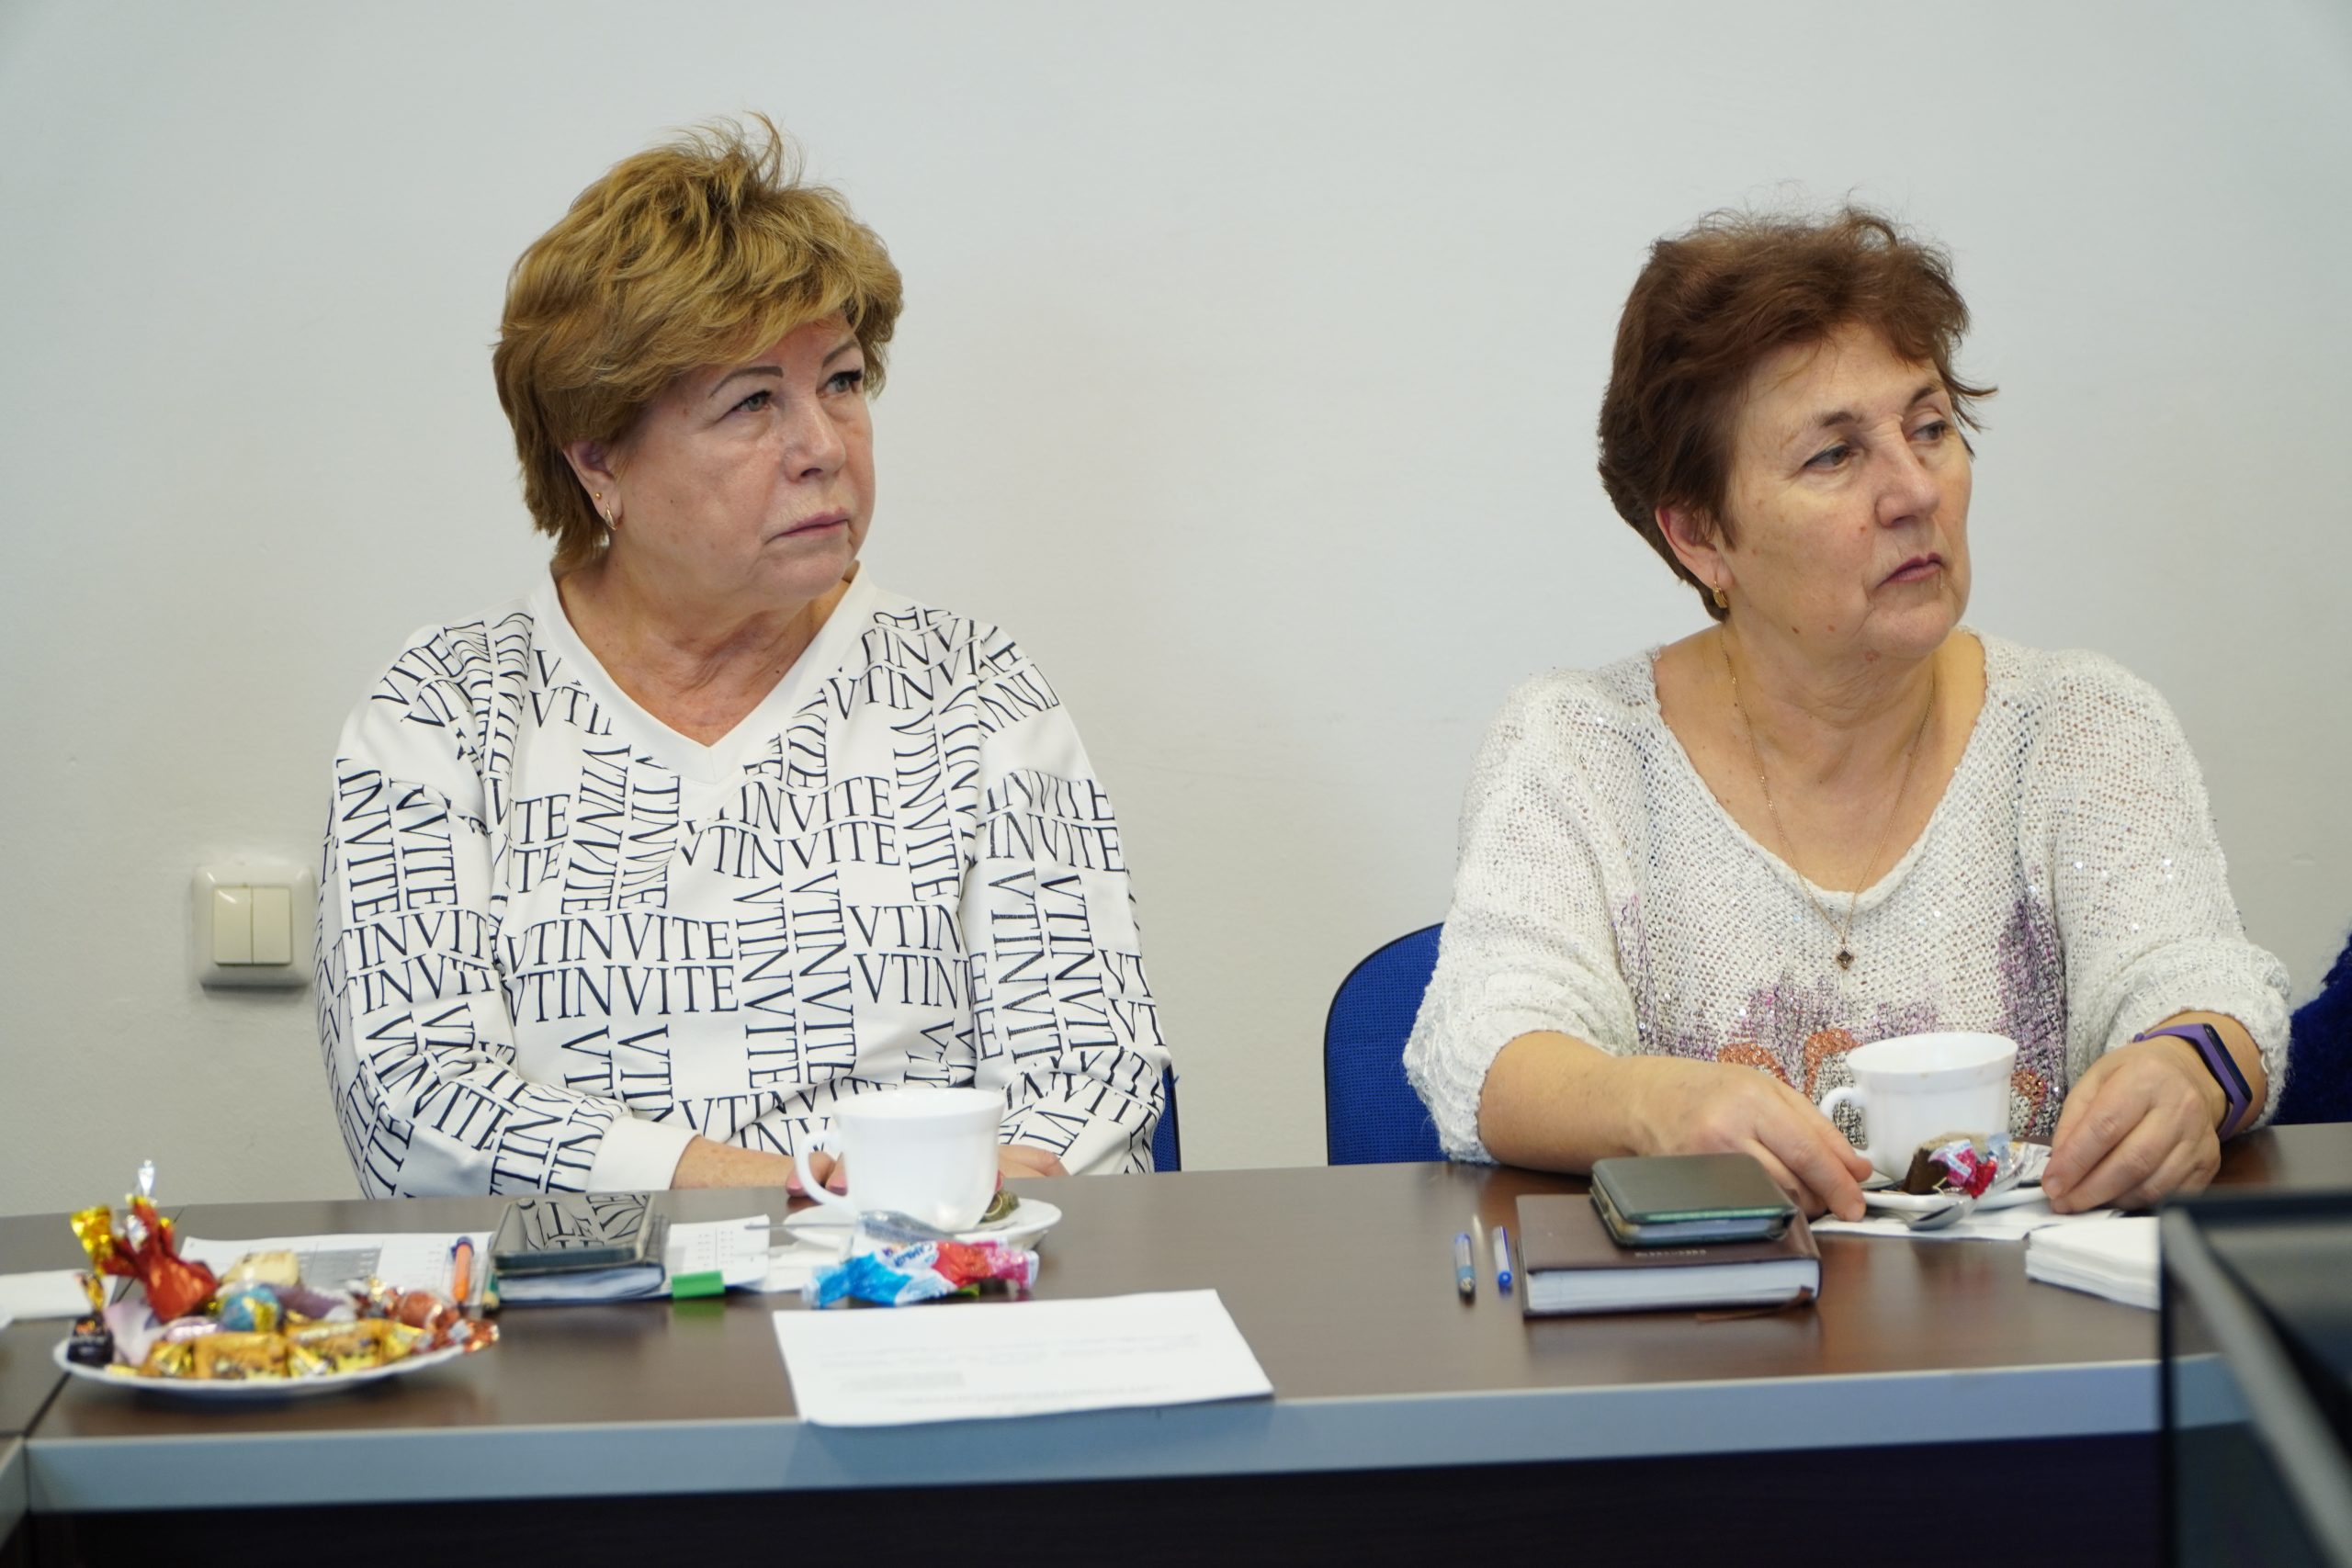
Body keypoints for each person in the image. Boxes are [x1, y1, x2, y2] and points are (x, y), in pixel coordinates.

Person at [318, 118, 1168, 1197]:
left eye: (842, 382)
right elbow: (414, 1105)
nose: (823, 447)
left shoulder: (970, 689)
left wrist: (924, 1212)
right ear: (598, 460)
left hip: (926, 1272)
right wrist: (788, 1193)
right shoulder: (444, 712)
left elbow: (1093, 1078)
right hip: (595, 1294)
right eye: (753, 402)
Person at [1404, 208, 2288, 1221]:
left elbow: (2199, 979)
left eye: (1929, 429)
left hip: (2025, 1314)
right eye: (1833, 456)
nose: (1914, 491)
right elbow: (1489, 1044)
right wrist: (1652, 1107)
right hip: (1720, 1310)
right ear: (1700, 536)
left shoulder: (2083, 724)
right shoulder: (1578, 747)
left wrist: (2187, 1069)